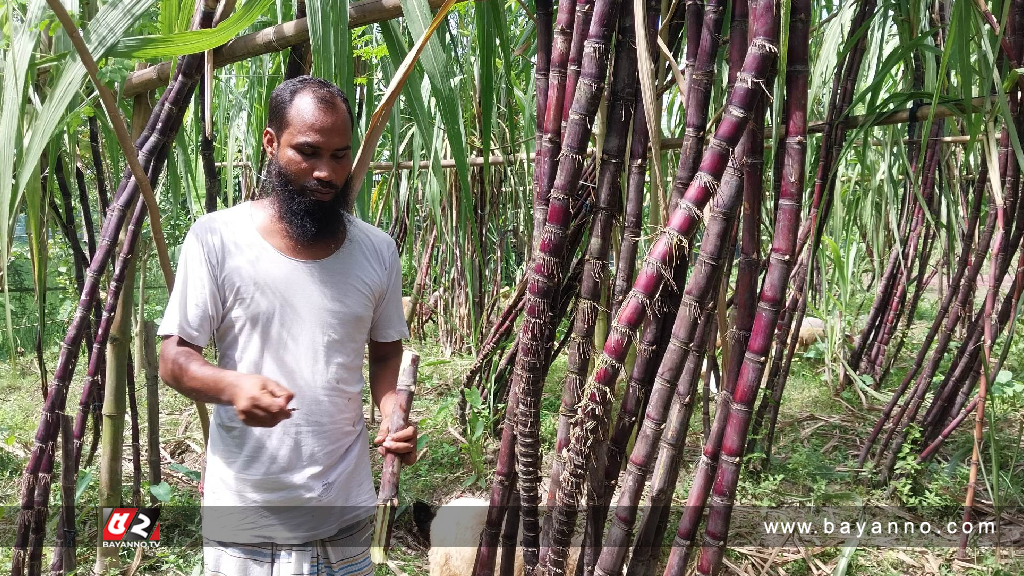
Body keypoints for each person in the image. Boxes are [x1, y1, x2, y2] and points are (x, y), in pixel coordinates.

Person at [158, 75, 416, 576]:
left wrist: (391, 411)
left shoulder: (377, 251)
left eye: (340, 155)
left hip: (345, 513)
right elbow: (173, 358)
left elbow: (386, 353)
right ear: (271, 143)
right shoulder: (217, 239)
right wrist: (232, 386)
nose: (327, 172)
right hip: (249, 518)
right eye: (309, 152)